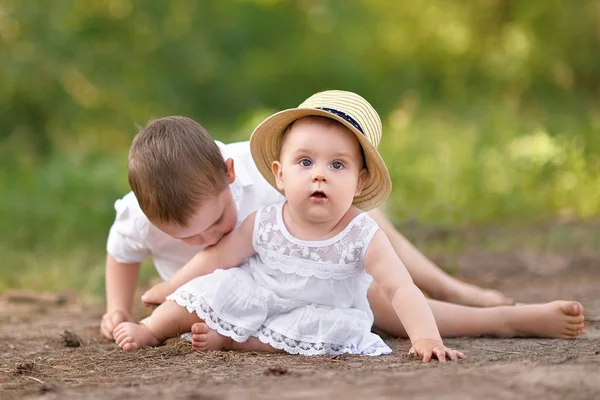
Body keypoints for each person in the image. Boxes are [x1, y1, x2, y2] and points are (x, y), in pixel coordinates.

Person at [102, 99, 585, 345]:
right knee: (214, 296)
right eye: (187, 237)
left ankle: (482, 310)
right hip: (251, 289)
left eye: (217, 221)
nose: (209, 238)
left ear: (230, 177)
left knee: (368, 278)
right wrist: (119, 309)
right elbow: (122, 253)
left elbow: (345, 221)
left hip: (305, 267)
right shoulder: (142, 211)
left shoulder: (254, 167)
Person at [114, 89, 468, 360]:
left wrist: (425, 338)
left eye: (337, 165)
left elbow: (400, 288)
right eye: (306, 162)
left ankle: (235, 341)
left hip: (317, 309)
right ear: (279, 175)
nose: (319, 175)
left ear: (359, 184)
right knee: (213, 287)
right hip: (261, 293)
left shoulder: (362, 232)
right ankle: (149, 329)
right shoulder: (265, 220)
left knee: (323, 331)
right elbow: (218, 257)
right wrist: (172, 286)